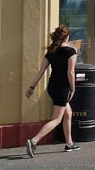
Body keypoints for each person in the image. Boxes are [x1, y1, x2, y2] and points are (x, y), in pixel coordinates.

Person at [24, 25, 81, 157]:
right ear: (67, 37)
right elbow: (70, 72)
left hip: (52, 87)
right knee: (56, 119)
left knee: (68, 113)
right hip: (63, 88)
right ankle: (33, 141)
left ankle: (69, 144)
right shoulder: (71, 51)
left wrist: (31, 87)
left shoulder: (51, 52)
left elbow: (41, 71)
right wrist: (73, 88)